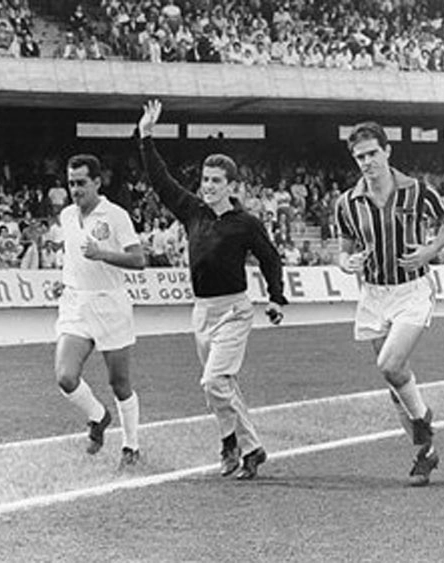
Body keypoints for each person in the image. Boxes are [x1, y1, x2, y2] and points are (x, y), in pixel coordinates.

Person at [138, 100, 287, 480]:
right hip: (202, 311)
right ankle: (245, 449)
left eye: (216, 181)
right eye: (205, 179)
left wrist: (275, 297)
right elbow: (161, 181)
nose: (208, 186)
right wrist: (146, 137)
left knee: (213, 381)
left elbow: (270, 258)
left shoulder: (245, 224)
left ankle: (235, 446)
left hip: (235, 311)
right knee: (218, 387)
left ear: (231, 186)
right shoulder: (192, 211)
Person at [335, 121, 444, 487]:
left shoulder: (416, 191)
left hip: (411, 291)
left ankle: (422, 422)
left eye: (373, 153)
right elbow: (343, 251)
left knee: (389, 364)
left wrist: (430, 250)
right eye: (360, 156)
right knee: (394, 377)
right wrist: (347, 263)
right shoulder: (347, 202)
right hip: (374, 295)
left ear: (387, 151)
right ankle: (426, 454)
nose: (367, 162)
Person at [54, 154, 146, 469]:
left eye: (81, 183)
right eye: (71, 183)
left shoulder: (116, 216)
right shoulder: (66, 215)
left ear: (97, 182)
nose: (75, 190)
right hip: (76, 304)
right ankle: (99, 416)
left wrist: (102, 254)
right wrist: (63, 282)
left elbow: (139, 260)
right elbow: (72, 256)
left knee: (119, 382)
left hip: (110, 304)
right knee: (65, 376)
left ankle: (131, 446)